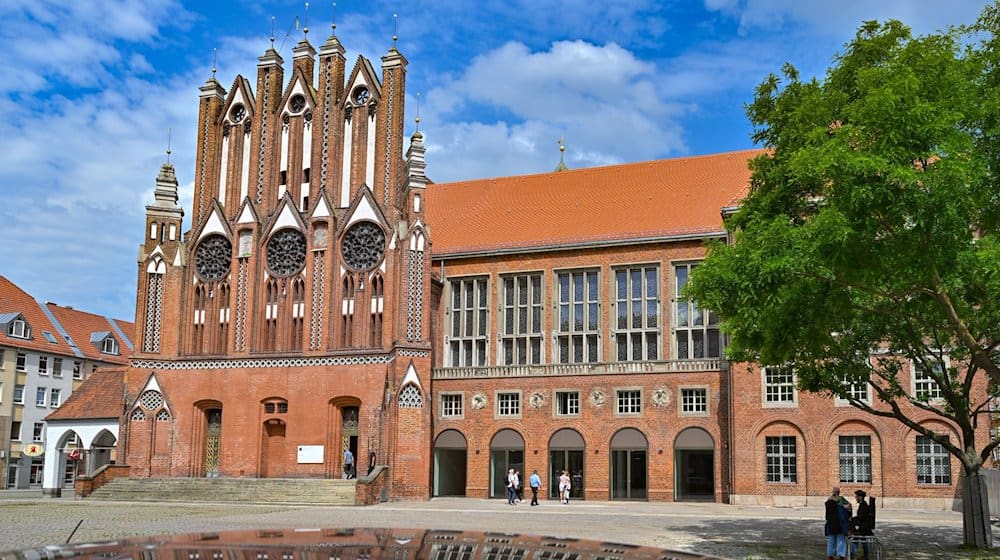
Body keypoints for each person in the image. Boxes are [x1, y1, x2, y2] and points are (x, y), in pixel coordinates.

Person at [824, 486, 850, 560]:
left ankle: (830, 555)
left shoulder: (828, 501)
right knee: (840, 540)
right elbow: (847, 509)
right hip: (839, 524)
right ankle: (841, 555)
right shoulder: (841, 501)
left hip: (831, 524)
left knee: (831, 540)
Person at [850, 490, 874, 559]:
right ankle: (855, 554)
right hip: (863, 527)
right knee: (860, 540)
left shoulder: (863, 505)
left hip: (863, 527)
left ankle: (855, 554)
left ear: (860, 497)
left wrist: (852, 519)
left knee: (859, 539)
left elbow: (861, 516)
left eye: (856, 496)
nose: (855, 498)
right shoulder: (863, 504)